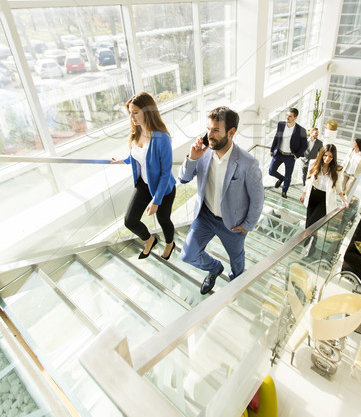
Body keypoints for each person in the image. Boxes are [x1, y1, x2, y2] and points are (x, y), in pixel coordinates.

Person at [178, 106, 264, 294]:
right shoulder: (202, 153)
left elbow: (258, 199)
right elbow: (183, 179)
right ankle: (215, 268)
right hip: (205, 217)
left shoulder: (247, 163)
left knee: (237, 260)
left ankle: (236, 284)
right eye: (208, 129)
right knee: (187, 255)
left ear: (231, 132)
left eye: (216, 130)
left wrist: (247, 225)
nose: (210, 135)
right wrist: (192, 159)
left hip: (233, 225)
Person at [111, 92, 176, 260]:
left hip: (163, 188)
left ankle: (170, 243)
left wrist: (156, 200)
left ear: (147, 111)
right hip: (144, 184)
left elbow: (165, 172)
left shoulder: (162, 138)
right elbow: (137, 155)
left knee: (163, 219)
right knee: (130, 220)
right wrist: (123, 161)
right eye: (130, 112)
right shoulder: (136, 133)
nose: (131, 117)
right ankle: (150, 240)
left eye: (135, 112)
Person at [299, 144, 349, 257]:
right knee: (308, 224)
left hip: (324, 200)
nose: (327, 159)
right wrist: (303, 193)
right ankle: (309, 247)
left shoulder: (337, 170)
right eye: (325, 155)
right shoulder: (313, 163)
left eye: (330, 157)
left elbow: (338, 185)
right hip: (312, 196)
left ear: (334, 157)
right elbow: (308, 180)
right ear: (321, 155)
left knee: (312, 224)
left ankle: (306, 247)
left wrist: (342, 197)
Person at [269, 107, 308, 198]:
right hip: (278, 153)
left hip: (290, 157)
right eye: (287, 115)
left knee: (288, 176)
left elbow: (304, 145)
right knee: (271, 171)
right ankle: (280, 178)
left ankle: (284, 191)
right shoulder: (281, 124)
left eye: (290, 116)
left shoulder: (301, 130)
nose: (287, 117)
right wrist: (272, 149)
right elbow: (276, 137)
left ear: (295, 117)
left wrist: (296, 155)